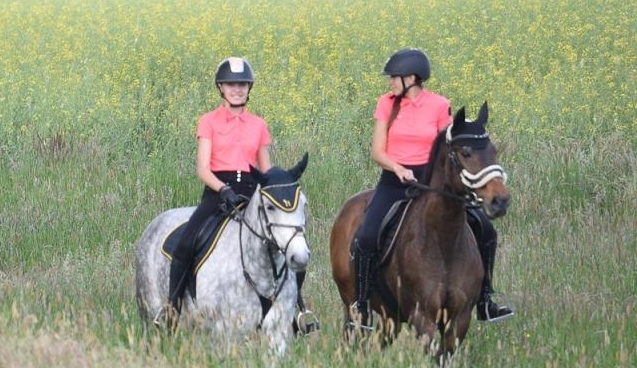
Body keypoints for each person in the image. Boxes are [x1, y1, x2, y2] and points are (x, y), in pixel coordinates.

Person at [350, 48, 511, 328]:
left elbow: (447, 148)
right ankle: (361, 305)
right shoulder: (386, 104)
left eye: (394, 77)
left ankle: (485, 299)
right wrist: (398, 168)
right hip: (394, 181)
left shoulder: (439, 105)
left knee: (485, 229)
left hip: (431, 183)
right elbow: (377, 151)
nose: (390, 82)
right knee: (366, 235)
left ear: (411, 78)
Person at [168, 57, 317, 331]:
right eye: (231, 84)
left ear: (249, 88)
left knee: (292, 249)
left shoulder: (258, 125)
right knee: (184, 246)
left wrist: (278, 186)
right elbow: (202, 168)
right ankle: (171, 309)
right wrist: (223, 189)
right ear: (221, 88)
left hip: (253, 193)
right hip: (217, 193)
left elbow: (266, 168)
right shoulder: (208, 121)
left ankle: (296, 315)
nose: (237, 89)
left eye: (242, 84)